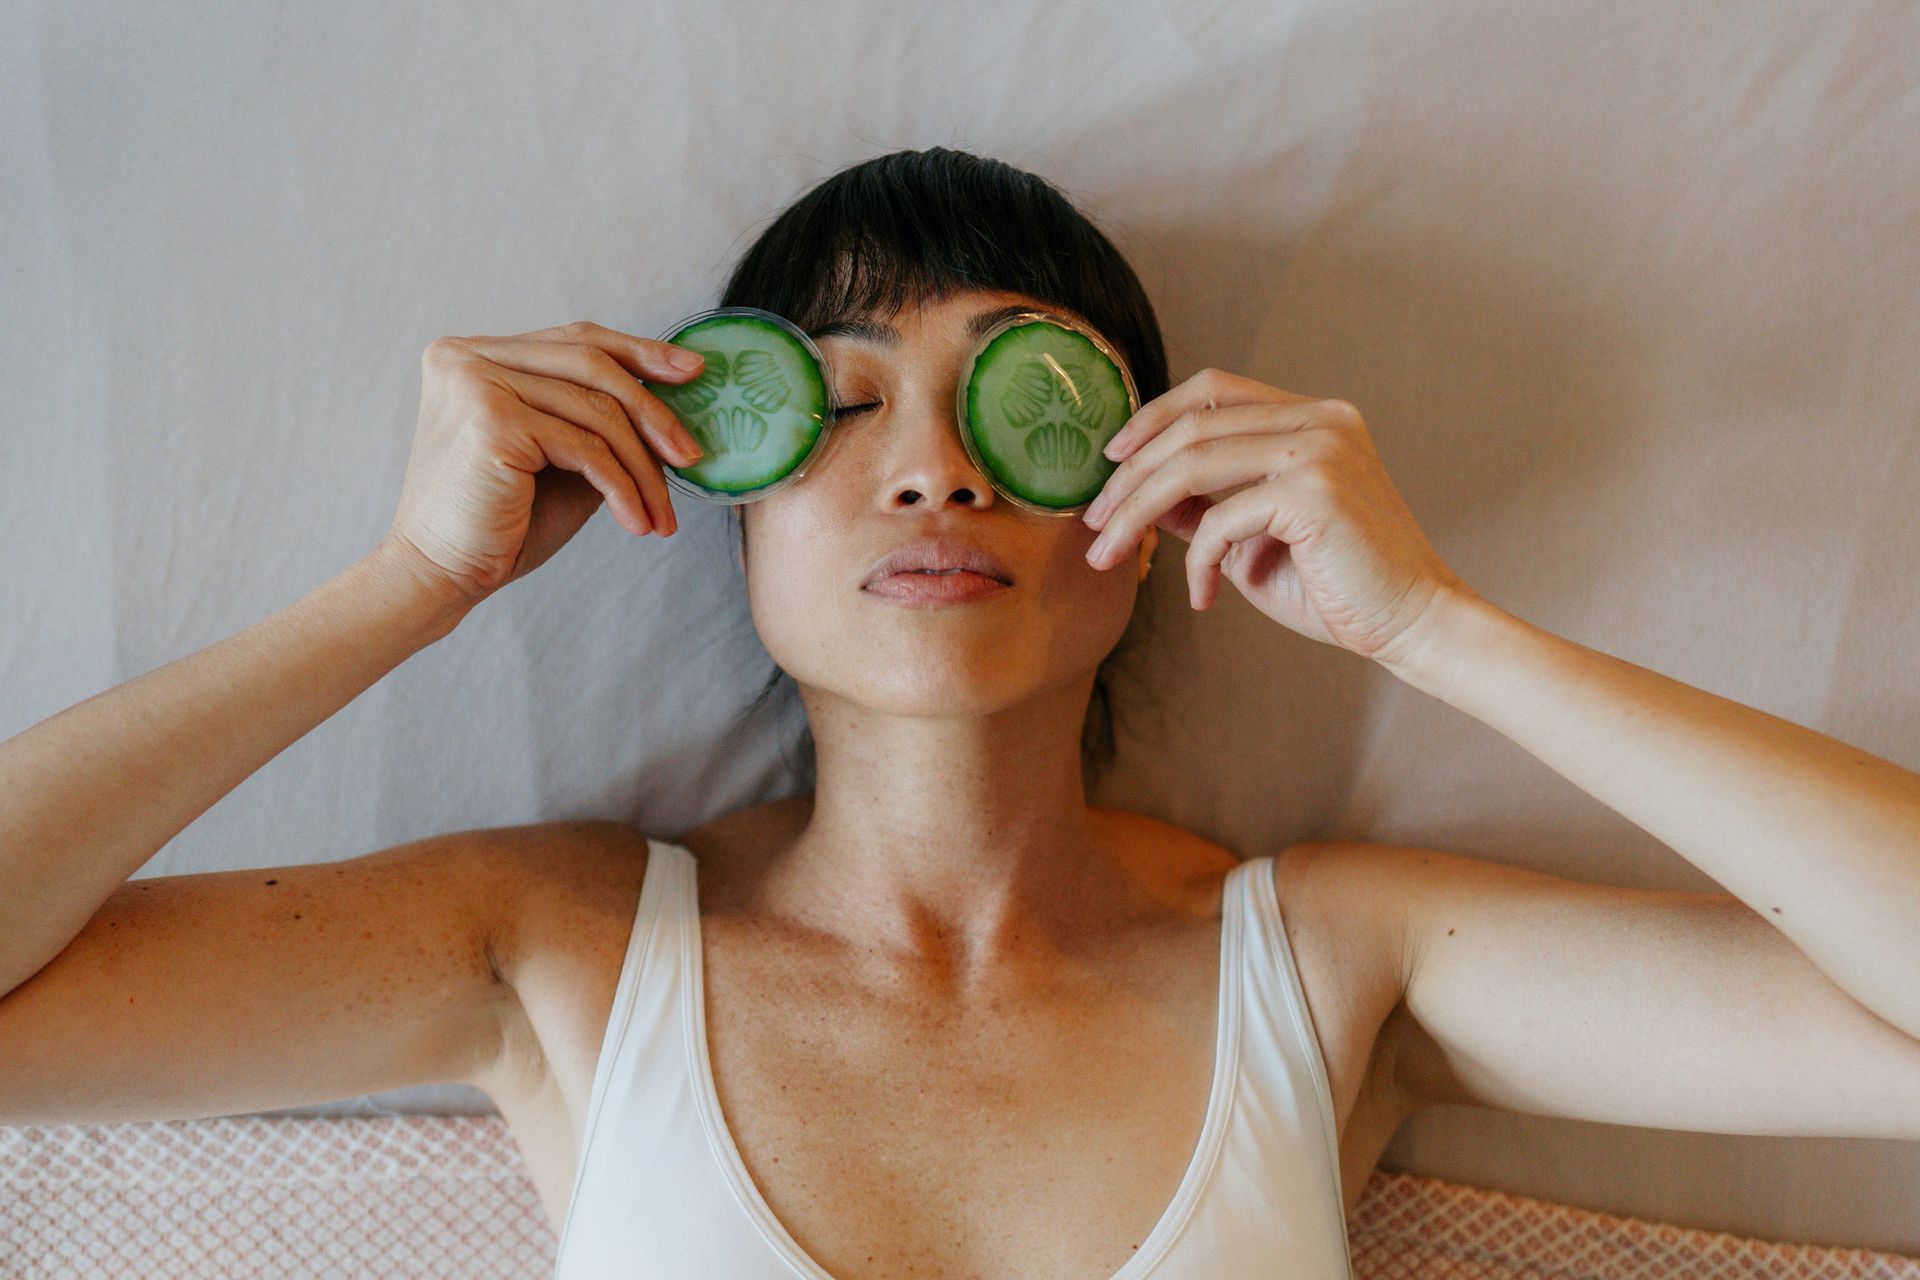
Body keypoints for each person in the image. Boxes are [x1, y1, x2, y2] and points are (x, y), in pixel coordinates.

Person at [2, 147, 1916, 1280]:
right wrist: (413, 580)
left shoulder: (1333, 961)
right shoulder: (559, 942)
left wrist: (1428, 626)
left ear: (1152, 495)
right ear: (726, 498)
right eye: (835, 405)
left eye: (1030, 404)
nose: (932, 468)